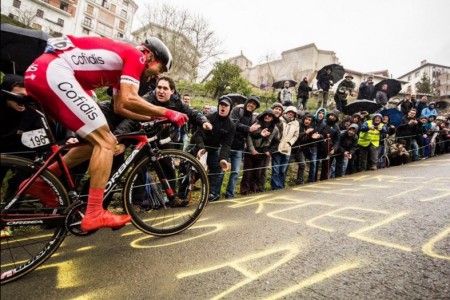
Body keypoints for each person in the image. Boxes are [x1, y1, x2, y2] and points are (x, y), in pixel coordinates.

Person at [24, 35, 188, 232]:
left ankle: (46, 178)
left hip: (43, 73)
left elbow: (120, 107)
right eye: (159, 69)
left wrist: (151, 118)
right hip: (54, 73)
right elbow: (129, 99)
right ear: (150, 56)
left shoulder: (121, 64)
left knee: (95, 142)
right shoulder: (136, 56)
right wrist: (168, 112)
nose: (155, 76)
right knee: (107, 142)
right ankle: (94, 211)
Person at [190, 96, 235, 202]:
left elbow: (227, 144)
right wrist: (201, 148)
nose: (223, 107)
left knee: (216, 169)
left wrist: (223, 158)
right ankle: (182, 194)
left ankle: (210, 193)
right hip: (199, 148)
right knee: (193, 171)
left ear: (230, 108)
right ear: (218, 106)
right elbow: (198, 134)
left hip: (213, 150)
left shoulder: (231, 125)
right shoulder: (208, 117)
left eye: (225, 106)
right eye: (221, 105)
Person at [220, 96, 261, 199]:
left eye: (254, 104)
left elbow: (250, 134)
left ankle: (229, 194)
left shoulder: (253, 118)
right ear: (247, 102)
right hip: (227, 145)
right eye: (251, 102)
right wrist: (248, 128)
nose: (252, 105)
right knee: (221, 170)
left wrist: (261, 134)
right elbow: (233, 122)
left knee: (235, 172)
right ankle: (215, 193)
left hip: (239, 148)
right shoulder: (237, 110)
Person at [240, 109, 279, 195]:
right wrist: (252, 149)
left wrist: (270, 151)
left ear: (273, 118)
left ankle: (254, 191)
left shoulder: (275, 129)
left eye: (270, 115)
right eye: (266, 115)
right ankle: (244, 192)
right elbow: (248, 136)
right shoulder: (256, 124)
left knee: (258, 173)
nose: (267, 116)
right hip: (250, 151)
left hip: (262, 152)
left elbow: (276, 142)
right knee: (247, 173)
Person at [270, 106, 299, 190]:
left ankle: (281, 187)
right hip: (277, 148)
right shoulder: (279, 120)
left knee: (283, 170)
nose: (291, 113)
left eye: (293, 112)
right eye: (289, 111)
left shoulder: (296, 123)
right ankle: (275, 188)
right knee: (275, 170)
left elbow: (296, 135)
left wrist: (290, 143)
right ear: (286, 112)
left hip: (287, 149)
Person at [292, 112, 320, 184]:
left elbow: (307, 140)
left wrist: (313, 138)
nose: (307, 121)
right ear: (304, 119)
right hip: (292, 148)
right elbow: (296, 136)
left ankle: (299, 181)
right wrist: (306, 132)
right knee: (285, 166)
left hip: (300, 150)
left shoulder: (309, 128)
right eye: (306, 119)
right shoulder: (298, 125)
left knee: (302, 164)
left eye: (310, 120)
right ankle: (281, 184)